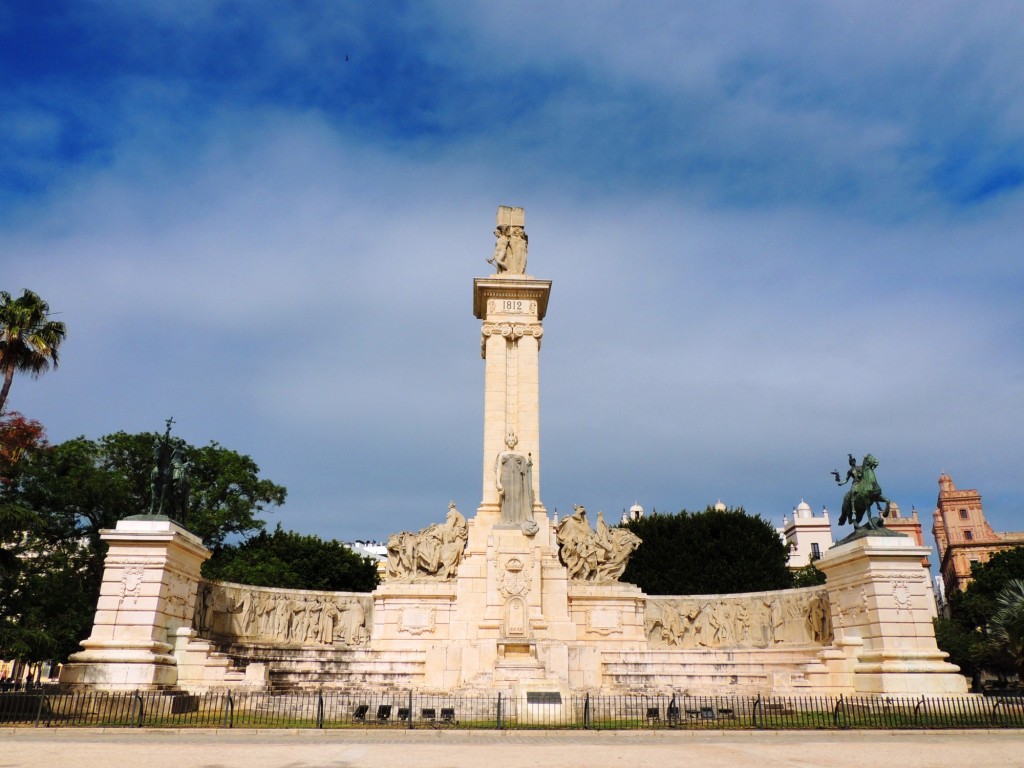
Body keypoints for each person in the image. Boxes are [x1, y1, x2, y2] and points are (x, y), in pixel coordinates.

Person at [495, 432, 538, 535]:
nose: (511, 442)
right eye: (509, 440)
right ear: (506, 441)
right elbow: (498, 469)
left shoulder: (520, 455)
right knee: (507, 498)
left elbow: (525, 470)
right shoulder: (502, 455)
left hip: (518, 479)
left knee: (518, 497)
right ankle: (506, 520)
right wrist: (498, 482)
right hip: (505, 479)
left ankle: (518, 520)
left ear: (515, 441)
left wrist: (529, 465)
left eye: (512, 440)